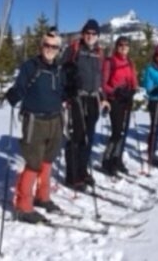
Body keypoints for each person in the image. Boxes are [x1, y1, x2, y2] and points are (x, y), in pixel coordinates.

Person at [5, 30, 65, 224]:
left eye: (54, 46)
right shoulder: (30, 66)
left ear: (58, 49)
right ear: (41, 46)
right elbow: (20, 86)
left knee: (48, 159)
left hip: (55, 119)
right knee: (33, 162)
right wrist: (14, 94)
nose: (50, 49)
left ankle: (43, 197)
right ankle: (23, 206)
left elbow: (63, 92)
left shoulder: (59, 69)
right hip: (34, 120)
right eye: (47, 45)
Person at [61, 19, 109, 191]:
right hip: (77, 98)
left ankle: (82, 171)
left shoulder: (100, 52)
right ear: (83, 34)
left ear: (97, 36)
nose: (90, 36)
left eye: (93, 34)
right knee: (76, 137)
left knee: (88, 137)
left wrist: (103, 97)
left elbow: (101, 78)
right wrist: (67, 94)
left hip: (93, 98)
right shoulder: (73, 49)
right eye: (87, 33)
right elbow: (62, 72)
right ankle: (72, 175)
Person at [101, 36, 138, 176]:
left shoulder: (129, 61)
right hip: (114, 100)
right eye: (121, 45)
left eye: (126, 45)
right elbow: (104, 84)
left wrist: (133, 91)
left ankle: (117, 158)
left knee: (123, 131)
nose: (124, 48)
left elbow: (133, 79)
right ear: (116, 47)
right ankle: (107, 159)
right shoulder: (110, 62)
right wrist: (115, 91)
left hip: (126, 99)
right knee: (117, 131)